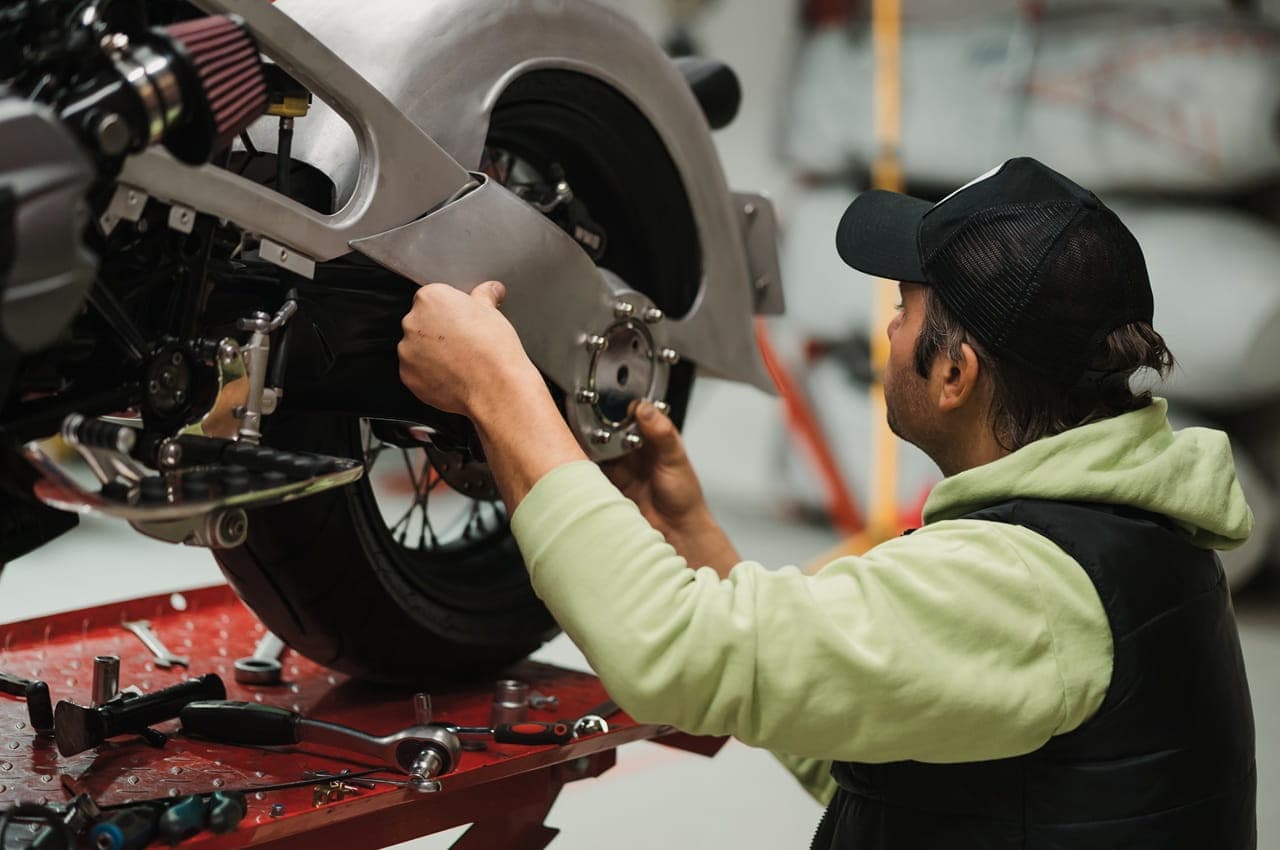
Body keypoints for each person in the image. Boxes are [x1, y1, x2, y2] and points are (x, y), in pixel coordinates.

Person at [397, 157, 1256, 848]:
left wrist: (497, 386)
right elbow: (897, 756)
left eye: (904, 310)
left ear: (955, 375)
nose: (887, 332)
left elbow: (669, 655)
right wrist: (699, 544)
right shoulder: (1122, 544)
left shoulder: (1033, 589)